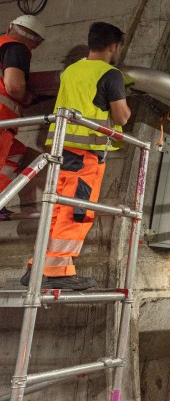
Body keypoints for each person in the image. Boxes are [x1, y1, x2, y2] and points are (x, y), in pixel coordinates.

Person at [21, 22, 131, 290]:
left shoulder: (71, 71)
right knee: (76, 212)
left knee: (58, 209)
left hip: (62, 150)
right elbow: (121, 116)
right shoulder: (111, 74)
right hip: (87, 155)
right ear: (113, 46)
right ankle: (57, 271)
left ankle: (38, 267)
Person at [0, 15, 46, 214]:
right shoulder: (17, 48)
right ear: (36, 42)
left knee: (17, 154)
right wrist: (27, 97)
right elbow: (14, 87)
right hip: (1, 121)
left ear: (11, 26)